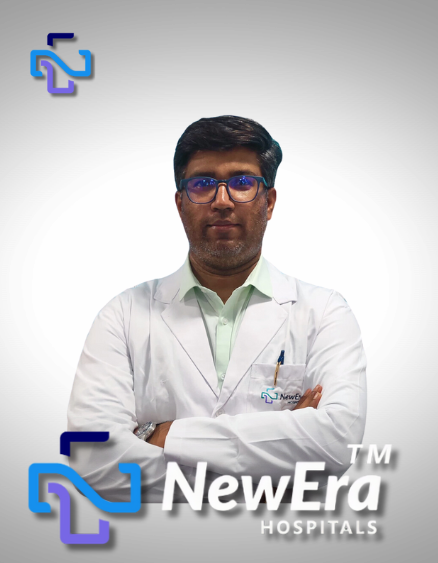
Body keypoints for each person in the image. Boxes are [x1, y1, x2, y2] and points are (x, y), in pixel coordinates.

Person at [67, 115, 367, 503]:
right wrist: (278, 462)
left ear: (269, 202)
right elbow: (92, 457)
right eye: (202, 184)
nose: (222, 201)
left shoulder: (324, 312)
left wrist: (161, 435)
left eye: (242, 182)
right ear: (180, 204)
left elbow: (338, 442)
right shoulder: (123, 316)